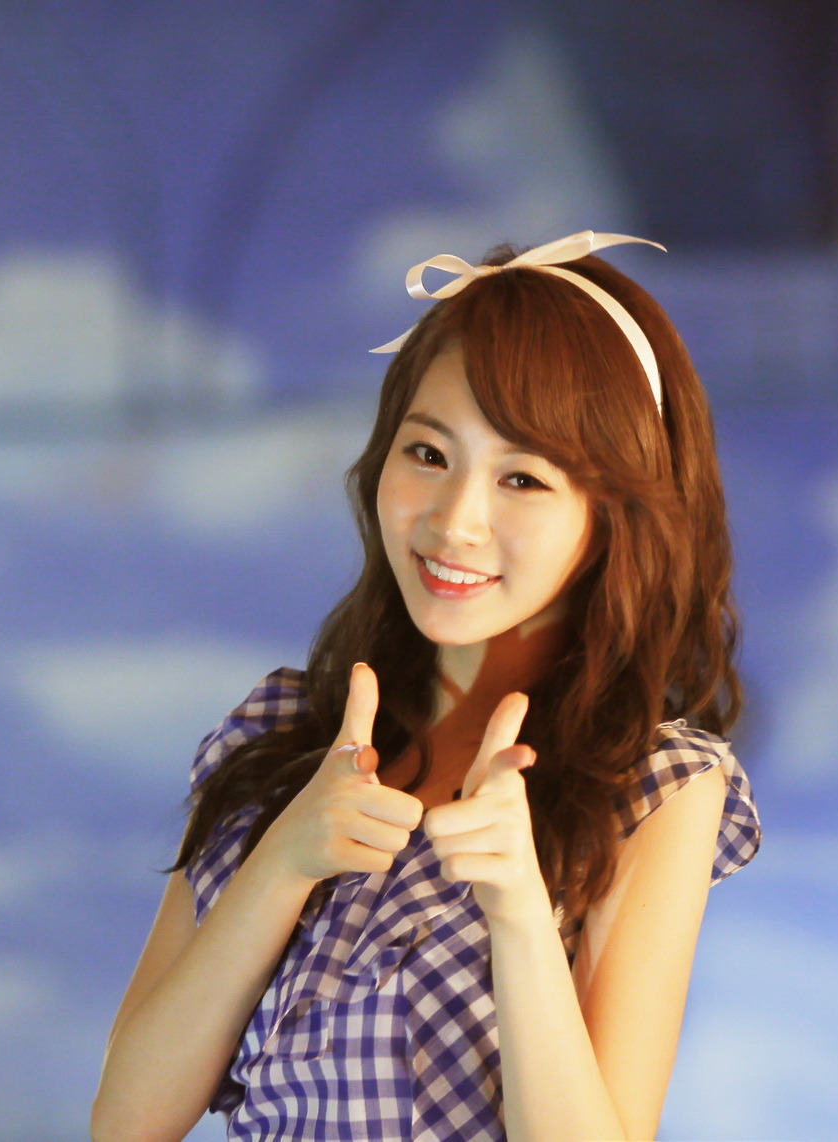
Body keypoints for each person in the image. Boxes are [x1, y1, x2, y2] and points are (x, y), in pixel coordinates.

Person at [91, 231, 762, 1142]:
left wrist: (519, 914)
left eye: (522, 477)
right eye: (429, 454)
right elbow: (127, 1122)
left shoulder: (655, 788)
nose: (455, 522)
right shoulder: (278, 736)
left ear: (611, 518)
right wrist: (283, 863)